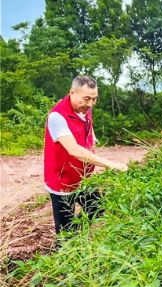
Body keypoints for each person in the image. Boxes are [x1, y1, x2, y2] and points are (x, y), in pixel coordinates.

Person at [44, 75, 128, 234]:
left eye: (94, 99)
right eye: (86, 98)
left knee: (97, 209)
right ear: (71, 92)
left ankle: (78, 233)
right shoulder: (57, 116)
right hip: (63, 182)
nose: (90, 104)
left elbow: (88, 125)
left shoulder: (85, 109)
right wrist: (110, 164)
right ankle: (67, 248)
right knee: (65, 234)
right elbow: (73, 150)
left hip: (83, 179)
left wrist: (92, 138)